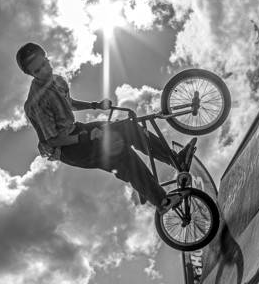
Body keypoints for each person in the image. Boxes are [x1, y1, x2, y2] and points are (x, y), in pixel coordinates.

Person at [17, 41, 192, 210]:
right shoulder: (35, 103)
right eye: (37, 70)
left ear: (47, 58)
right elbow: (53, 141)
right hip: (68, 149)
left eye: (44, 63)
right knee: (120, 151)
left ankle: (175, 160)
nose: (44, 70)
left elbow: (70, 104)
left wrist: (96, 105)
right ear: (31, 74)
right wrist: (85, 137)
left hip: (77, 129)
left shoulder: (58, 81)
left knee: (128, 127)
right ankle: (162, 201)